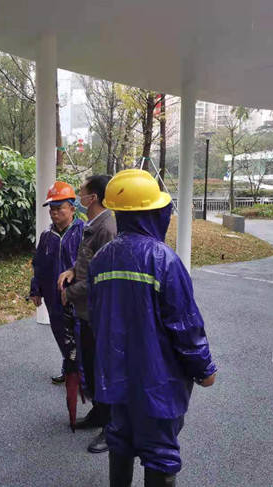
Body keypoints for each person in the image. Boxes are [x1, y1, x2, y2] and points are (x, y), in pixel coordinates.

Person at [86, 169, 217, 487]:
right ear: (152, 213)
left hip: (117, 377)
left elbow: (97, 317)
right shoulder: (164, 260)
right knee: (160, 452)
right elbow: (185, 325)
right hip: (158, 381)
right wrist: (204, 368)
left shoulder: (101, 259)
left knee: (120, 438)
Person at [57, 175, 116, 454]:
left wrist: (71, 292)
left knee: (105, 370)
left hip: (100, 312)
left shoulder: (107, 228)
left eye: (81, 193)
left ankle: (112, 427)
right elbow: (88, 263)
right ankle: (99, 413)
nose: (78, 197)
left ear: (93, 198)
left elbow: (104, 277)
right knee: (91, 367)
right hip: (87, 311)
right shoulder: (93, 225)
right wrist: (72, 271)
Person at [29, 181, 85, 384]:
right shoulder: (47, 236)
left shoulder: (84, 232)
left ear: (72, 208)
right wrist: (35, 289)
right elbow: (39, 264)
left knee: (79, 335)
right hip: (53, 296)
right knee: (61, 333)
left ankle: (82, 374)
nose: (54, 212)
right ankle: (68, 368)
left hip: (76, 296)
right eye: (51, 208)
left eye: (59, 207)